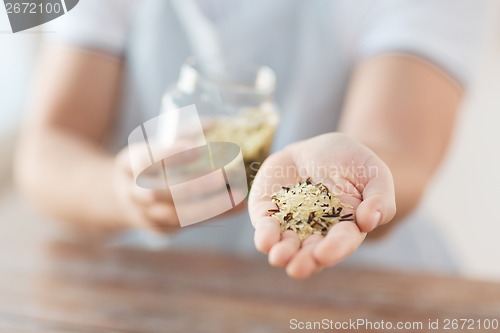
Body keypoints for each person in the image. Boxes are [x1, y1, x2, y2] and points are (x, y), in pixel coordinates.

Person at [14, 0, 489, 279]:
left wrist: (359, 174)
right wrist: (123, 194)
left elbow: (401, 149)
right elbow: (46, 148)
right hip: (146, 285)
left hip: (358, 289)